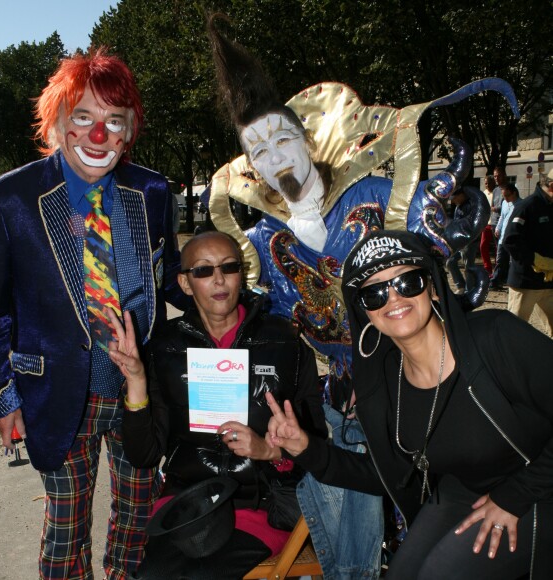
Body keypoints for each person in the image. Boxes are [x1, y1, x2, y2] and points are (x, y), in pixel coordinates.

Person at [206, 15, 512, 577]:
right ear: (251, 167)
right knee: (346, 515)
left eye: (282, 139)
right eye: (260, 150)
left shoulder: (381, 195)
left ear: (306, 139)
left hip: (422, 384)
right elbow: (256, 326)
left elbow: (439, 281)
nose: (276, 158)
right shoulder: (261, 245)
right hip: (343, 398)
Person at [0, 49, 181, 579]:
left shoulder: (153, 191)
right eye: (82, 118)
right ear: (58, 121)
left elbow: (172, 279)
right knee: (66, 530)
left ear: (129, 128)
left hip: (137, 387)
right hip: (57, 390)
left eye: (113, 121)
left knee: (139, 520)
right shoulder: (10, 198)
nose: (97, 135)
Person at [266, 228, 553, 579]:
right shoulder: (385, 378)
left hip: (539, 483)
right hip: (465, 488)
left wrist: (517, 494)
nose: (393, 299)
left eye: (407, 282)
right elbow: (391, 476)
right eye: (373, 293)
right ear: (363, 312)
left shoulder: (496, 337)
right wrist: (306, 448)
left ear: (432, 285)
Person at [108, 231, 327, 579]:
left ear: (243, 274)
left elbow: (316, 445)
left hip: (260, 502)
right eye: (204, 271)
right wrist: (136, 381)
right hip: (189, 502)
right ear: (184, 282)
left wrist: (269, 452)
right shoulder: (165, 347)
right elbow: (144, 455)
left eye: (229, 267)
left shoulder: (284, 342)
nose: (219, 279)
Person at [503, 169, 553, 336]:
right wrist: (535, 259)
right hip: (525, 284)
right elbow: (510, 240)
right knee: (513, 332)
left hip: (549, 283)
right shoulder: (527, 206)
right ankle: (506, 362)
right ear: (552, 186)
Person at [446, 189, 482, 294]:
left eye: (454, 198)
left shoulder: (471, 206)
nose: (453, 201)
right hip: (459, 241)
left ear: (461, 195)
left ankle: (469, 290)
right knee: (450, 262)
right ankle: (460, 285)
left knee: (468, 266)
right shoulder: (458, 206)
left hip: (470, 240)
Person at [490, 183, 521, 289]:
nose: (506, 198)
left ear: (514, 193)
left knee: (512, 261)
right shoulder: (504, 203)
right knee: (500, 260)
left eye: (507, 195)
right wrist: (498, 228)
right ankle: (495, 281)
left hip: (514, 238)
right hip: (503, 236)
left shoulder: (520, 205)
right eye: (504, 196)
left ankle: (511, 282)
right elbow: (502, 217)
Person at [480, 174, 496, 276]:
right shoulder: (484, 193)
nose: (487, 185)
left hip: (495, 224)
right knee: (483, 246)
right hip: (486, 224)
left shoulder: (497, 192)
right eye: (486, 183)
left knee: (497, 249)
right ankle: (487, 268)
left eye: (489, 183)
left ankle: (498, 270)